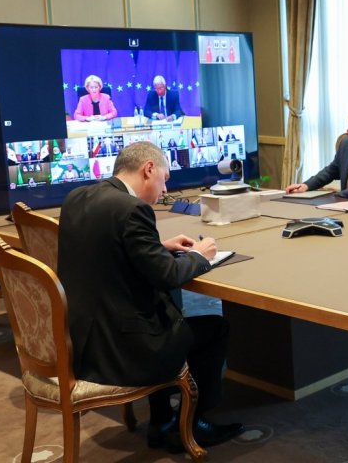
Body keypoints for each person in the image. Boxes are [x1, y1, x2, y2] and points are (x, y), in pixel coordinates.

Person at [56, 141, 243, 454]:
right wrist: (200, 256)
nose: (165, 189)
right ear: (148, 169)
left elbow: (108, 251)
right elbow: (167, 276)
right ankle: (195, 424)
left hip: (82, 340)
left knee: (162, 316)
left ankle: (162, 420)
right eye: (164, 178)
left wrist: (159, 248)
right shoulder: (133, 209)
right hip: (123, 348)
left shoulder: (79, 197)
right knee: (212, 328)